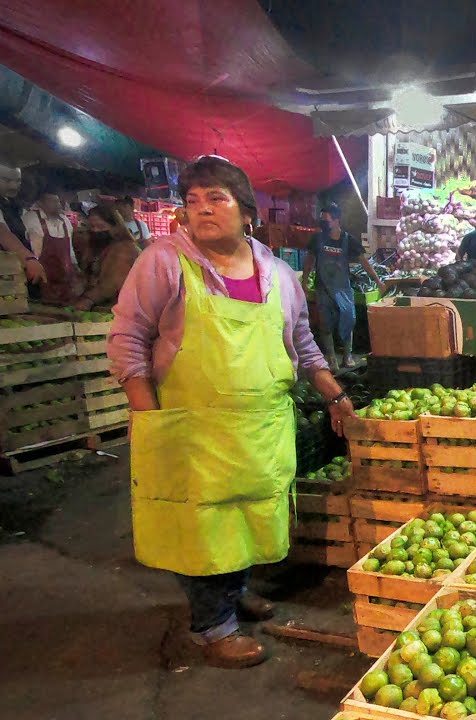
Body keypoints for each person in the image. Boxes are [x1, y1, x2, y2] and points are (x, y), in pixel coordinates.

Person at [108, 155, 357, 669]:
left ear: (247, 213)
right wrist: (151, 418)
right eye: (192, 201)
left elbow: (302, 343)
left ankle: (233, 592)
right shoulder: (163, 262)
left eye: (216, 198)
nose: (202, 210)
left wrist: (333, 393)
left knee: (248, 513)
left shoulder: (279, 273)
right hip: (191, 428)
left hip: (259, 427)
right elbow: (128, 339)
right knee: (202, 528)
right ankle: (213, 626)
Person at [301, 203, 386, 369]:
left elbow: (364, 262)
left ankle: (347, 356)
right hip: (323, 287)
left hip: (343, 288)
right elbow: (309, 261)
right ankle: (332, 358)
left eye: (326, 220)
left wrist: (378, 281)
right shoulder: (317, 239)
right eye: (321, 220)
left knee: (349, 319)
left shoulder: (348, 240)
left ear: (336, 220)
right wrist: (304, 282)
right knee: (325, 323)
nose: (323, 224)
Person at [73, 205, 140, 310]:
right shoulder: (97, 247)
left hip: (123, 307)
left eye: (101, 227)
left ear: (115, 227)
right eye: (92, 227)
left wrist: (89, 299)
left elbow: (112, 284)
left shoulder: (124, 249)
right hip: (104, 305)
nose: (95, 231)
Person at [23, 191, 83, 305]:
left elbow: (69, 249)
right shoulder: (31, 218)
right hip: (41, 277)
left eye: (58, 201)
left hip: (64, 278)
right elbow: (33, 249)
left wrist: (75, 268)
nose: (58, 204)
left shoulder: (64, 220)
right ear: (41, 203)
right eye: (53, 201)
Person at [0, 162, 45, 285]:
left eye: (18, 181)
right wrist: (28, 258)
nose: (14, 186)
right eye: (6, 180)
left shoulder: (12, 204)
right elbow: (3, 233)